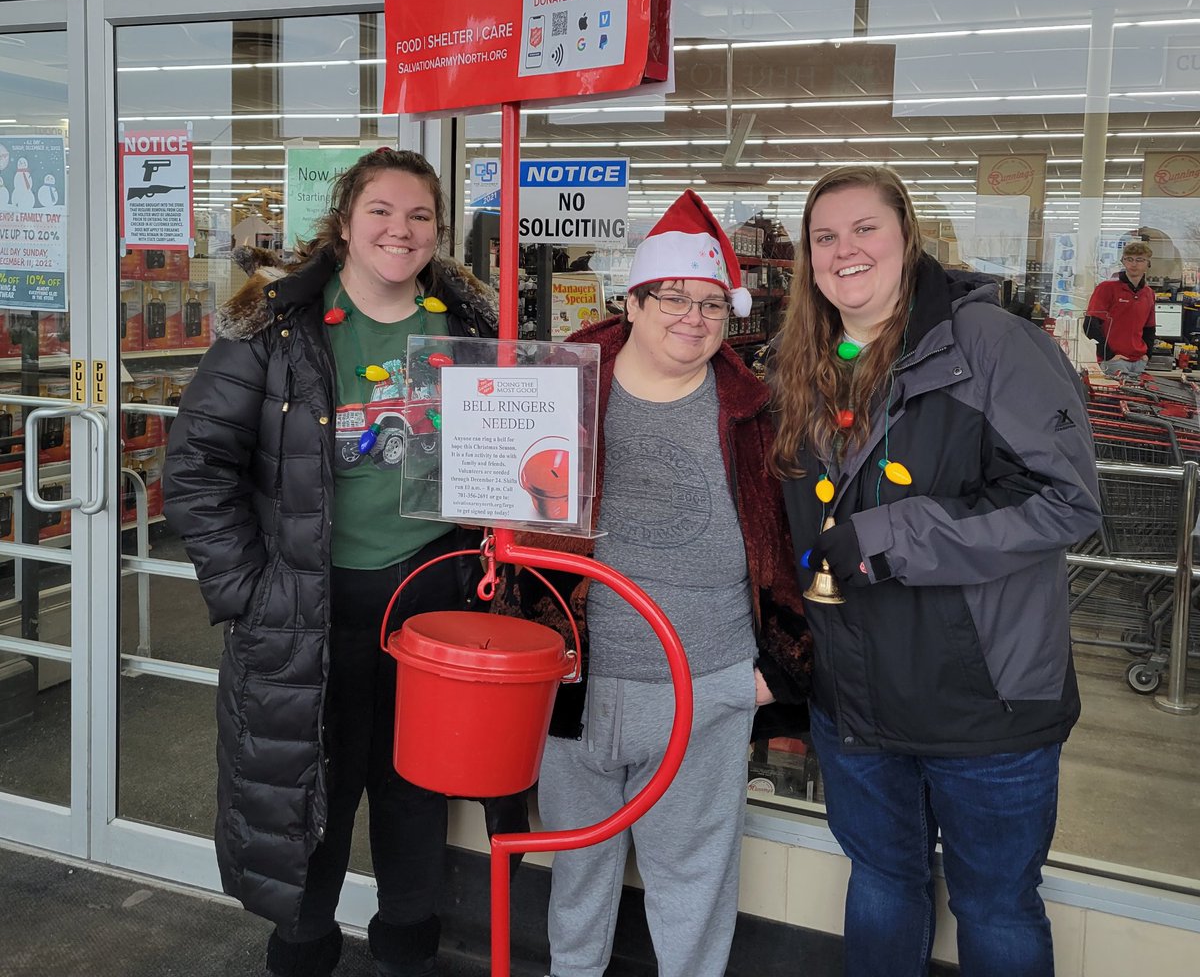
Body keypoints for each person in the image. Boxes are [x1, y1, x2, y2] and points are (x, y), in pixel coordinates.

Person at [163, 147, 506, 977]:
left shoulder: (471, 328)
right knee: (309, 794)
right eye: (382, 211)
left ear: (438, 229)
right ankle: (303, 948)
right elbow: (195, 467)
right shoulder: (274, 331)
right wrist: (247, 590)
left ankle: (405, 947)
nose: (401, 229)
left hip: (431, 602)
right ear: (345, 223)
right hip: (309, 611)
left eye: (420, 215)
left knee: (414, 790)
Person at [770, 166, 1101, 977]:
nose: (844, 250)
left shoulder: (993, 346)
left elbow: (1066, 501)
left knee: (994, 906)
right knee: (883, 883)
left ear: (908, 236)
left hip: (983, 701)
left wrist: (889, 535)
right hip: (857, 699)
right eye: (824, 237)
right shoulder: (810, 361)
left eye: (864, 229)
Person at [498, 190, 811, 977]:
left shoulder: (753, 412)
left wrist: (771, 674)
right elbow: (510, 530)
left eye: (711, 304)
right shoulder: (557, 388)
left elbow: (790, 547)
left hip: (706, 688)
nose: (693, 317)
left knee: (695, 882)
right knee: (578, 872)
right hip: (579, 684)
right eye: (673, 296)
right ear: (632, 302)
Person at [1083, 240, 1156, 379]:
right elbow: (1089, 325)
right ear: (1123, 261)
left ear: (1148, 264)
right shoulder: (1106, 288)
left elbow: (1149, 328)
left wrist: (1147, 355)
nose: (1134, 264)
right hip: (1114, 361)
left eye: (1139, 260)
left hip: (1139, 362)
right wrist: (1109, 356)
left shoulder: (1148, 293)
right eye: (1129, 259)